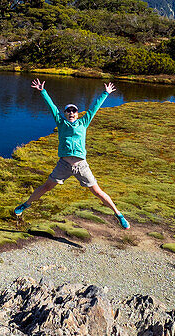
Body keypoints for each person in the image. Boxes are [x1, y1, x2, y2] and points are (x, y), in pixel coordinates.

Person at [13, 78, 130, 229]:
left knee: (97, 192)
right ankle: (25, 205)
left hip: (81, 165)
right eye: (68, 111)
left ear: (77, 113)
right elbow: (52, 107)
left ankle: (118, 215)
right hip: (64, 165)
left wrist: (105, 93)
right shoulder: (61, 123)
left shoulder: (84, 122)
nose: (71, 113)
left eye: (73, 110)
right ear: (65, 113)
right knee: (47, 186)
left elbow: (94, 107)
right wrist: (43, 91)